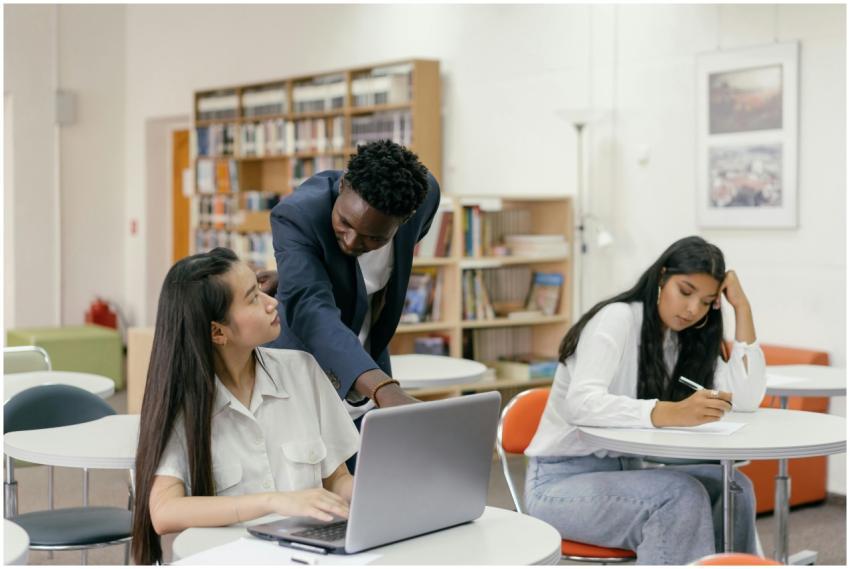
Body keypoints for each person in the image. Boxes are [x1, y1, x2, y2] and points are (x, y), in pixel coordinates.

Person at [524, 235, 766, 565]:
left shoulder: (684, 341)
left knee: (734, 486)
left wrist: (743, 308)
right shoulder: (617, 318)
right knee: (679, 497)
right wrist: (666, 412)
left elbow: (747, 399)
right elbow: (580, 403)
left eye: (708, 301)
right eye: (685, 292)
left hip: (629, 475)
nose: (693, 309)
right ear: (662, 277)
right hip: (560, 484)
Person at [131, 248, 360, 565]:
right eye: (253, 298)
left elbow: (337, 480)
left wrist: (375, 495)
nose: (272, 303)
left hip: (311, 555)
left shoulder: (302, 370)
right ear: (217, 331)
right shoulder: (184, 403)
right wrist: (275, 502)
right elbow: (164, 512)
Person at [259, 140, 440, 422]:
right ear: (342, 185)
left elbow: (361, 278)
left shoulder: (422, 198)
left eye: (374, 237)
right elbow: (310, 308)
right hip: (305, 358)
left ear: (404, 220)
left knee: (375, 460)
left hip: (368, 353)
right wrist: (383, 388)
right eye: (345, 222)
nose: (352, 241)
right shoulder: (297, 215)